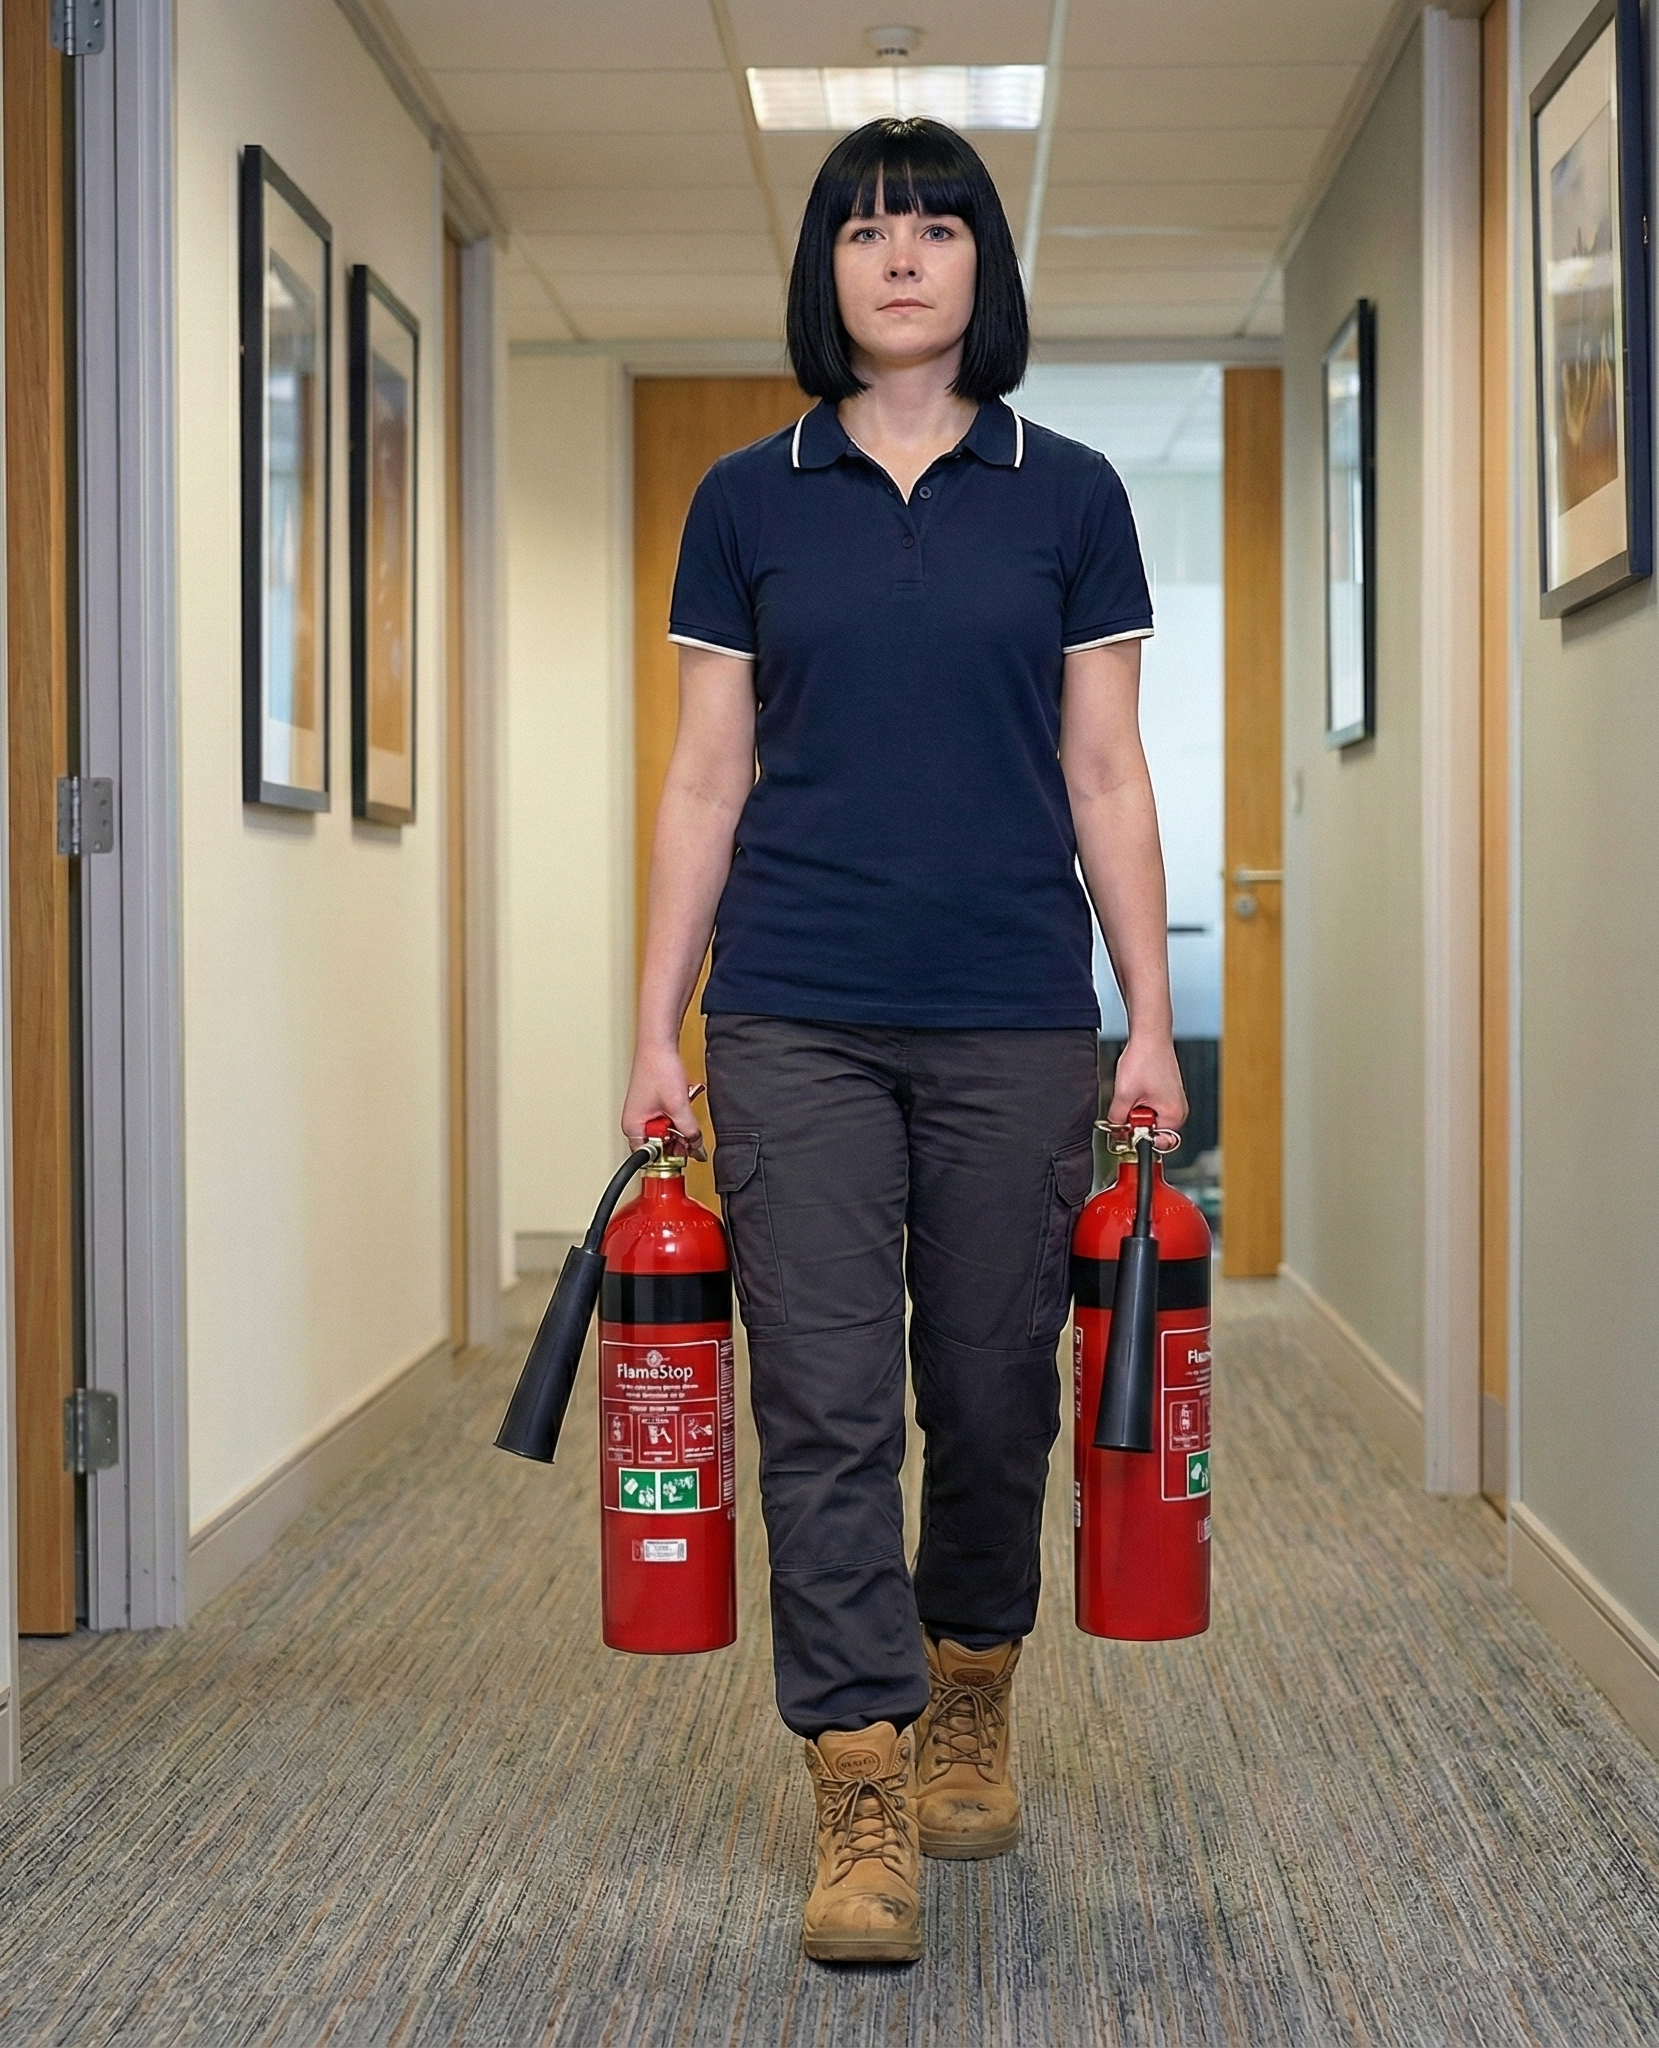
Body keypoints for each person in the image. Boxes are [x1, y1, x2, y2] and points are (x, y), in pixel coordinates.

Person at [622, 116, 1185, 1965]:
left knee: (995, 1388)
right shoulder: (747, 499)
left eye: (936, 229)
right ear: (827, 271)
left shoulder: (1070, 494)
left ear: (980, 268)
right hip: (792, 1007)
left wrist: (1148, 1020)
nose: (901, 258)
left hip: (1015, 1010)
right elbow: (706, 780)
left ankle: (971, 1677)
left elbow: (1106, 773)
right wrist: (654, 1023)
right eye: (865, 232)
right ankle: (857, 1772)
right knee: (825, 1398)